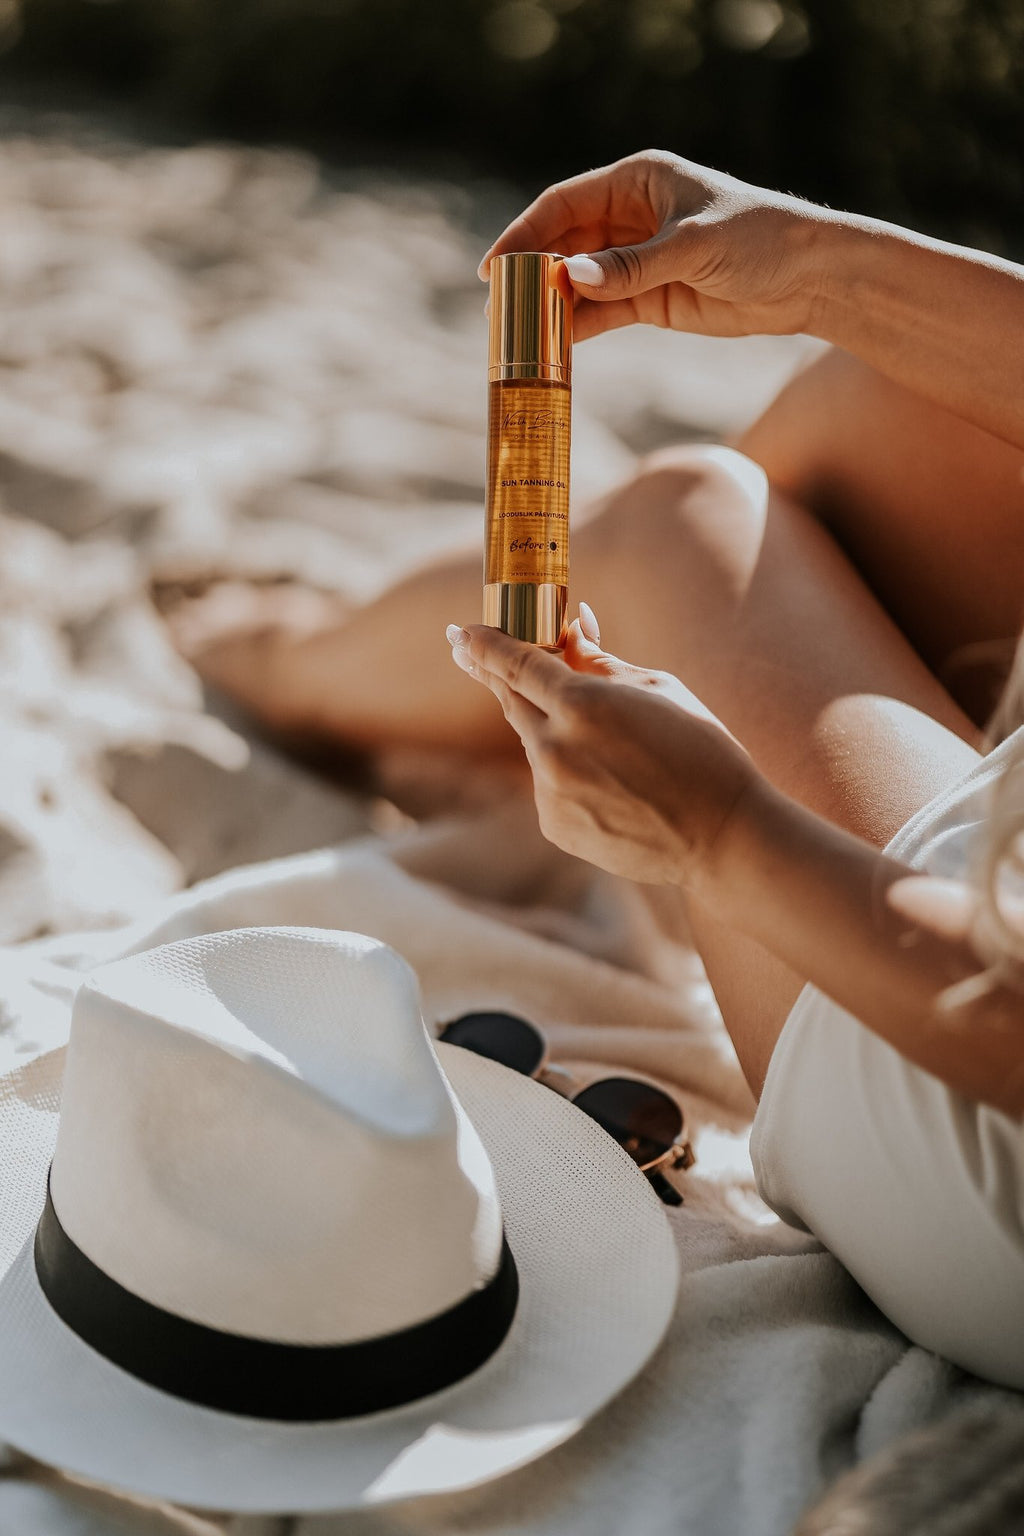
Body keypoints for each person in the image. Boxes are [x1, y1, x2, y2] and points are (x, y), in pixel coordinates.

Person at [174, 150, 1024, 1386]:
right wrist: (818, 262)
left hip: (977, 1094)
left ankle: (304, 666)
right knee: (885, 407)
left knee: (682, 514)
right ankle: (439, 658)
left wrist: (723, 834)